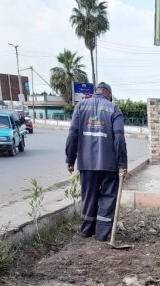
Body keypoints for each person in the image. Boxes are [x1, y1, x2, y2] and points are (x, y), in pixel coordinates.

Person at [65, 81, 128, 241]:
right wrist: (122, 164)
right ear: (109, 94)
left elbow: (73, 133)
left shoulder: (81, 106)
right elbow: (119, 137)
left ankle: (86, 231)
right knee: (108, 198)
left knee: (89, 197)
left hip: (87, 164)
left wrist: (70, 159)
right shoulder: (114, 109)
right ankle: (101, 234)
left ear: (96, 92)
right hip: (110, 165)